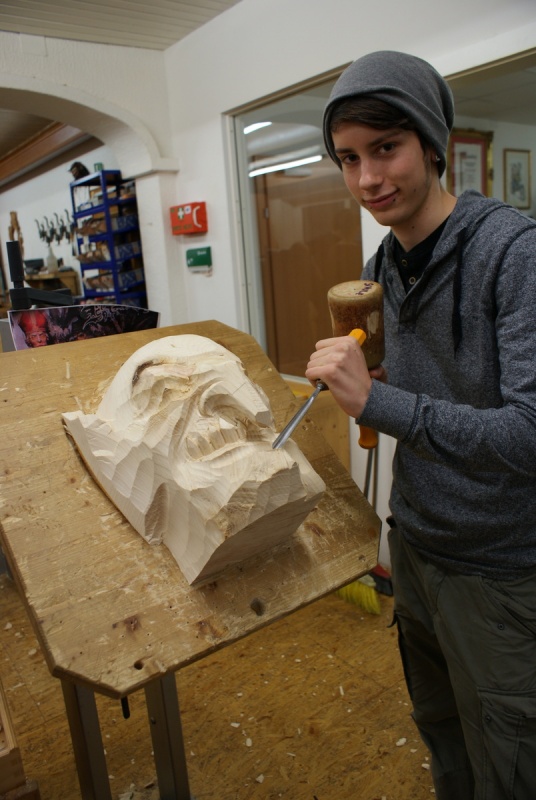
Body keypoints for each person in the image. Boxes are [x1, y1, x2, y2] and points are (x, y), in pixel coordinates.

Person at [306, 50, 536, 800]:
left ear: (433, 144)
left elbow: (528, 434)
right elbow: (435, 392)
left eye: (386, 148)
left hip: (499, 569)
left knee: (510, 762)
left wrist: (382, 405)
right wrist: (376, 383)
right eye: (349, 158)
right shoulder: (383, 263)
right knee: (444, 737)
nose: (368, 179)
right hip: (415, 545)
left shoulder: (514, 253)